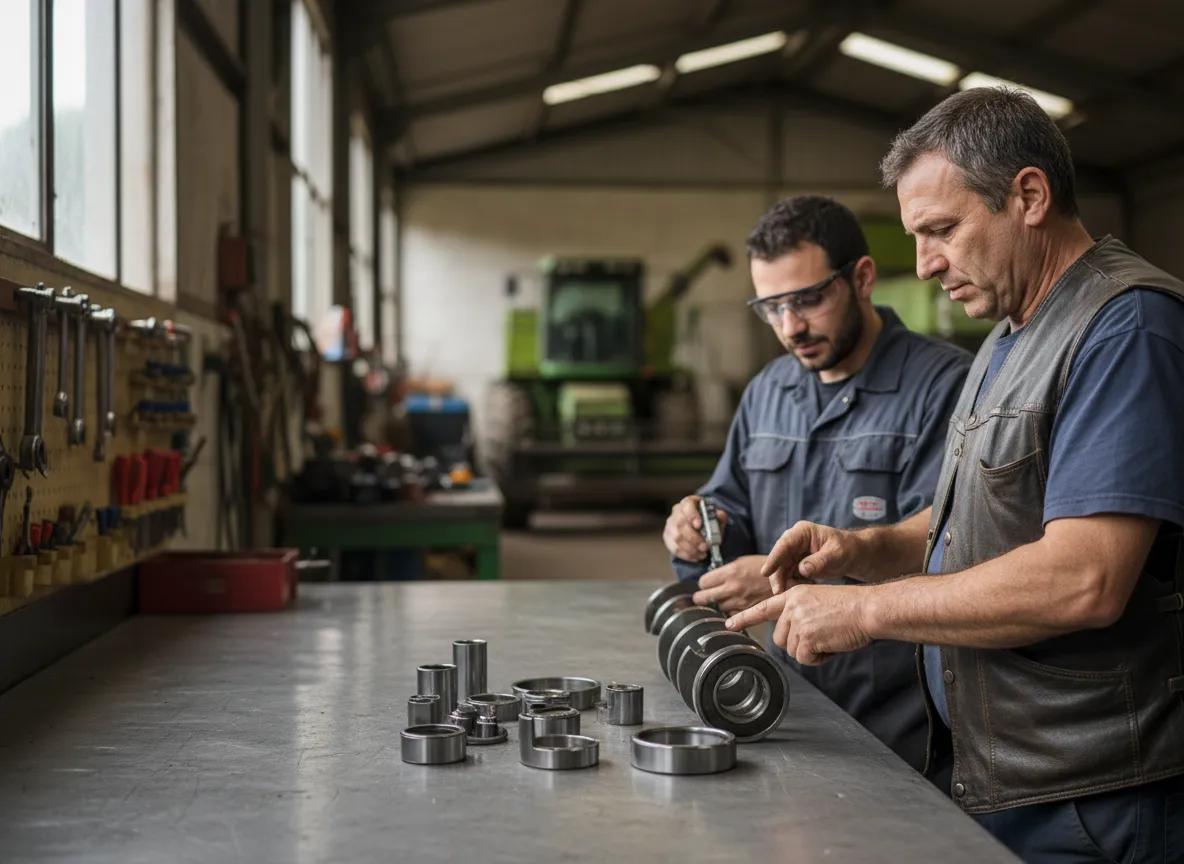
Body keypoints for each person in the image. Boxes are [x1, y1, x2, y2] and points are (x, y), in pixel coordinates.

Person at [726, 88, 1184, 864]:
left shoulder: (1126, 326)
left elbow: (1085, 578)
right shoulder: (1012, 333)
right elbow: (970, 520)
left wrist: (866, 614)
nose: (926, 263)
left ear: (1029, 196)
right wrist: (862, 549)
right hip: (1005, 776)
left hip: (1097, 797)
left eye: (941, 230)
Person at [663, 194, 972, 782]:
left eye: (807, 299)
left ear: (862, 277)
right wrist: (700, 529)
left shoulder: (944, 387)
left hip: (900, 723)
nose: (790, 327)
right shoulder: (768, 391)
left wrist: (782, 579)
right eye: (771, 307)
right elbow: (728, 506)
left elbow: (953, 550)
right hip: (780, 702)